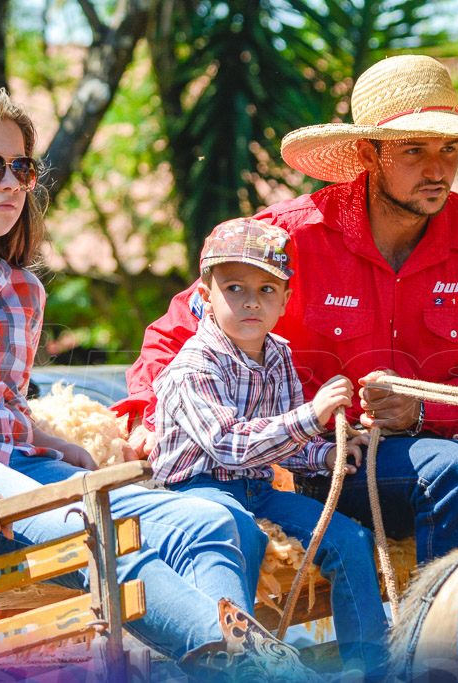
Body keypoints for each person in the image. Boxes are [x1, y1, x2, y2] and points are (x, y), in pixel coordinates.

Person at [0, 85, 307, 680]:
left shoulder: (21, 292)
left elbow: (0, 405)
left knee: (207, 520)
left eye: (22, 168)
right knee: (94, 526)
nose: (9, 183)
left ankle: (223, 668)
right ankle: (265, 669)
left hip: (13, 469)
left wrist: (55, 444)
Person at [115, 55, 458, 564]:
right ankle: (439, 641)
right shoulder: (292, 236)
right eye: (414, 150)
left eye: (450, 149)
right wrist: (149, 418)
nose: (437, 169)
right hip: (319, 462)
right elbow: (172, 334)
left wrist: (422, 410)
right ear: (367, 153)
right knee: (457, 469)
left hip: (433, 456)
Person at [150, 217, 389, 677]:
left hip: (257, 489)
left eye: (266, 290)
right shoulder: (190, 368)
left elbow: (286, 449)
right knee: (236, 531)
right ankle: (243, 666)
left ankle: (372, 666)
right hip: (198, 494)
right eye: (234, 288)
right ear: (205, 296)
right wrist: (311, 415)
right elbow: (229, 445)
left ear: (285, 300)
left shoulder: (278, 353)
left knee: (351, 539)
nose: (250, 302)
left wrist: (331, 454)